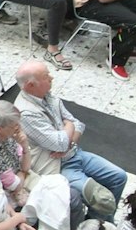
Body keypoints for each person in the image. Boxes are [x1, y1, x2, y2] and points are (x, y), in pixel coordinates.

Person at [12, 61, 126, 221]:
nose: (51, 77)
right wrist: (69, 127)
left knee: (118, 176)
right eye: (46, 76)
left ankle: (98, 222)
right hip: (58, 165)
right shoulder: (26, 113)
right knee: (98, 197)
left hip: (74, 153)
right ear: (31, 85)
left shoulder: (46, 96)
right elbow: (59, 142)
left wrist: (69, 138)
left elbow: (77, 124)